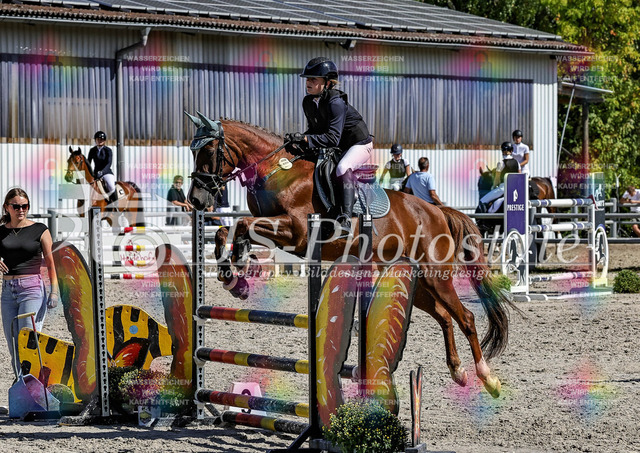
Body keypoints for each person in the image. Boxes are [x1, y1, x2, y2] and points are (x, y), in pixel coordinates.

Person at [285, 57, 373, 237]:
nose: (308, 82)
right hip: (339, 145)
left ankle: (345, 218)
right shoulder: (308, 102)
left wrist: (306, 139)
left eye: (313, 79)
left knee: (342, 167)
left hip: (358, 144)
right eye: (307, 79)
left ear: (327, 82)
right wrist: (298, 140)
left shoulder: (336, 102)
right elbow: (315, 130)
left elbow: (332, 138)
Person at [0, 188, 59, 375]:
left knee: (28, 342)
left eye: (25, 206)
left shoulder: (40, 230)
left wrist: (54, 291)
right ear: (6, 207)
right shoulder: (1, 231)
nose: (21, 210)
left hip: (32, 289)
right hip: (7, 292)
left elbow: (51, 264)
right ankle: (21, 385)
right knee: (13, 344)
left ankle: (32, 385)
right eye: (16, 206)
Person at [478, 142, 521, 213]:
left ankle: (485, 217)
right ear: (511, 151)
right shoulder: (517, 162)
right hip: (516, 188)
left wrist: (494, 187)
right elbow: (520, 175)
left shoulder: (501, 163)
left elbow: (497, 179)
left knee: (483, 200)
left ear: (502, 151)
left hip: (503, 188)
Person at [87, 130, 117, 203]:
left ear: (104, 140)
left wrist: (102, 172)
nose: (100, 141)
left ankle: (116, 203)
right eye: (98, 139)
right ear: (95, 140)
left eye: (102, 139)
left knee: (111, 186)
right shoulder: (92, 150)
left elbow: (109, 163)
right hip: (96, 173)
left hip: (106, 172)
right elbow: (88, 163)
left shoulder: (108, 150)